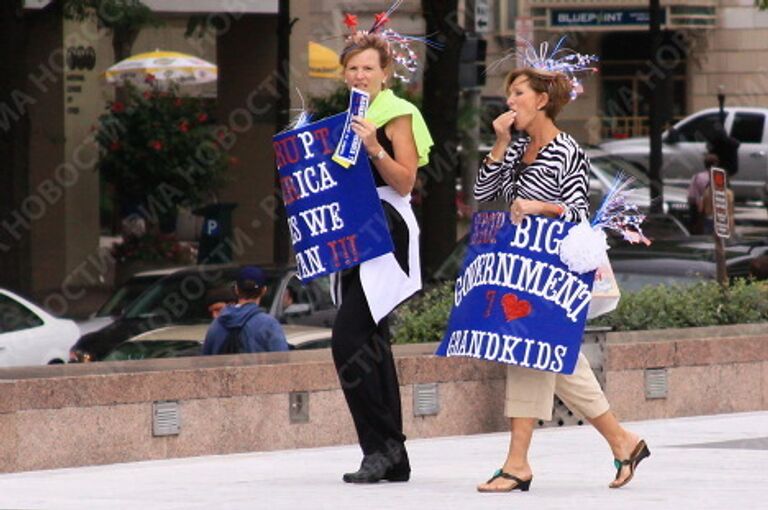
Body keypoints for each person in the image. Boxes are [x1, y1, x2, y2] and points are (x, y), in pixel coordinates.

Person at [473, 63, 649, 492]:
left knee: (531, 352)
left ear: (542, 99)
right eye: (509, 94)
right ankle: (623, 442)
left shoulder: (566, 148)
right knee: (558, 358)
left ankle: (518, 464)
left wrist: (538, 206)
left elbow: (577, 211)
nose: (510, 102)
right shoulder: (516, 147)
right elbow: (482, 193)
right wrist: (498, 143)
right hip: (520, 267)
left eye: (517, 94)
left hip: (554, 270)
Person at [330, 26, 433, 484]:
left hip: (385, 232)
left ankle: (382, 447)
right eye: (351, 68)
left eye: (368, 68)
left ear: (385, 73)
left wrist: (373, 148)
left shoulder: (396, 113)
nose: (359, 74)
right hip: (353, 235)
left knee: (348, 342)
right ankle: (392, 456)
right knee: (372, 346)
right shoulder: (344, 117)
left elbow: (406, 181)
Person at [202, 266, 288, 354]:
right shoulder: (269, 325)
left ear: (236, 289)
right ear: (263, 291)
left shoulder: (217, 324)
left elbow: (204, 361)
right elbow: (283, 361)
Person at [687, 153, 719, 234]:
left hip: (701, 212)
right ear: (716, 163)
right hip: (716, 212)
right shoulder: (720, 177)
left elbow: (691, 197)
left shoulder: (697, 177)